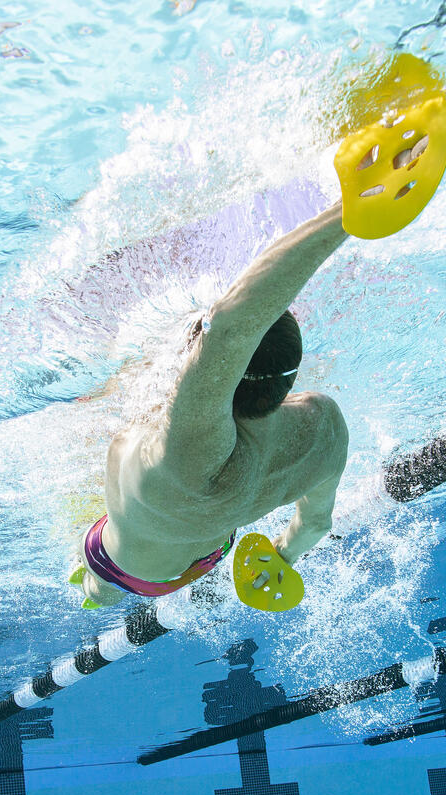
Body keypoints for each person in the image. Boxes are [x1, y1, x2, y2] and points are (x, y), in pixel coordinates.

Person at [74, 199, 350, 607]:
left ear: (210, 371)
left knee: (94, 583)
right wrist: (282, 557)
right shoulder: (324, 427)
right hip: (207, 556)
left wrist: (347, 215)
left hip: (129, 568)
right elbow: (315, 522)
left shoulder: (194, 448)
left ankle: (95, 591)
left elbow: (231, 329)